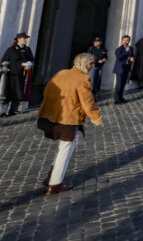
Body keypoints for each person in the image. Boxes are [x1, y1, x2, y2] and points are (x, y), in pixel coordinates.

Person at [37, 52, 102, 196]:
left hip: (53, 115)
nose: (93, 66)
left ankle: (51, 177)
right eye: (91, 63)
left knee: (63, 147)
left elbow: (47, 91)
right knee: (66, 149)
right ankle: (55, 184)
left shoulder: (61, 73)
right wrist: (96, 117)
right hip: (68, 118)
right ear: (84, 64)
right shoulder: (83, 78)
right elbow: (88, 102)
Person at [0, 32, 34, 117]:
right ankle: (3, 111)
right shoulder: (11, 49)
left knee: (18, 92)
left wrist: (30, 63)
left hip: (21, 75)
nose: (25, 40)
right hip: (12, 74)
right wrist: (22, 64)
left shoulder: (27, 49)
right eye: (24, 38)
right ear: (18, 39)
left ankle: (13, 110)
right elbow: (7, 60)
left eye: (26, 38)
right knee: (8, 92)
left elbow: (31, 58)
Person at [113, 35, 134, 104]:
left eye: (127, 40)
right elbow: (119, 57)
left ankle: (121, 97)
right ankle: (116, 99)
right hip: (120, 68)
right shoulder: (119, 49)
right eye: (124, 40)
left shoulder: (131, 48)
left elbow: (132, 56)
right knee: (119, 84)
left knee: (123, 84)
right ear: (122, 41)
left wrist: (131, 59)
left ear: (129, 41)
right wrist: (125, 52)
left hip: (127, 68)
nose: (125, 41)